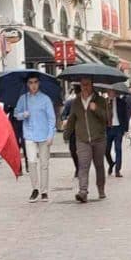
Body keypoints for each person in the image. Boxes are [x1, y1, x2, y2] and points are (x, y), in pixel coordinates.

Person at [65, 76, 110, 203]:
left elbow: (107, 118)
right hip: (82, 139)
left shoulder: (100, 100)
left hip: (99, 138)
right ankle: (83, 191)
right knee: (83, 165)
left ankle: (101, 189)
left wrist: (96, 110)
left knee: (99, 165)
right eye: (83, 85)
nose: (85, 87)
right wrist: (67, 134)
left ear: (92, 85)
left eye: (87, 84)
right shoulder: (76, 102)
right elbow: (72, 119)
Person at [14, 73, 57, 203]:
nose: (33, 85)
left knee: (44, 164)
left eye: (35, 82)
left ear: (39, 83)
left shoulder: (45, 99)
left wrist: (51, 134)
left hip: (44, 135)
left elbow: (51, 118)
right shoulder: (23, 99)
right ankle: (35, 189)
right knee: (32, 163)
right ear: (27, 84)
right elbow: (16, 114)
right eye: (30, 83)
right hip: (29, 134)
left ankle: (44, 191)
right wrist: (23, 115)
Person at [104, 87, 131, 179]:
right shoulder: (104, 102)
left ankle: (118, 170)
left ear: (115, 92)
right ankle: (111, 163)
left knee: (118, 149)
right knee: (106, 150)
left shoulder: (121, 102)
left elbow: (126, 115)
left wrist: (125, 129)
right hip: (108, 129)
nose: (111, 93)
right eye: (109, 91)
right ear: (107, 92)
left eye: (112, 91)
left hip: (118, 128)